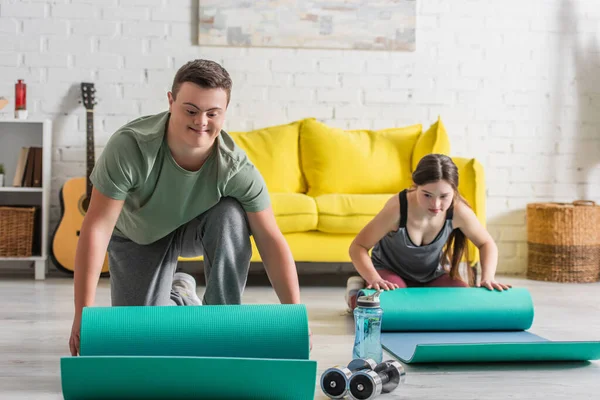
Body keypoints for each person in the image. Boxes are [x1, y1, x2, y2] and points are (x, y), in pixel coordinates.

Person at [69, 59, 310, 356]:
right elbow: (97, 227)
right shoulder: (129, 147)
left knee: (231, 214)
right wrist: (83, 314)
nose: (201, 122)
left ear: (224, 112)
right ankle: (180, 295)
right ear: (171, 102)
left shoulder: (235, 168)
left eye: (212, 113)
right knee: (144, 339)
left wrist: (295, 317)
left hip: (194, 228)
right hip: (138, 234)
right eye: (191, 110)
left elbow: (270, 238)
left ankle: (220, 322)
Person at [345, 153, 511, 310]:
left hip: (431, 275)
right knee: (388, 305)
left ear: (454, 191)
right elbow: (358, 246)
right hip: (389, 272)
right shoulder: (397, 209)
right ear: (416, 186)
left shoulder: (458, 211)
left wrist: (488, 277)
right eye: (427, 195)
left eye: (444, 196)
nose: (436, 204)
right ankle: (356, 291)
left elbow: (486, 243)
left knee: (464, 302)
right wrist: (374, 279)